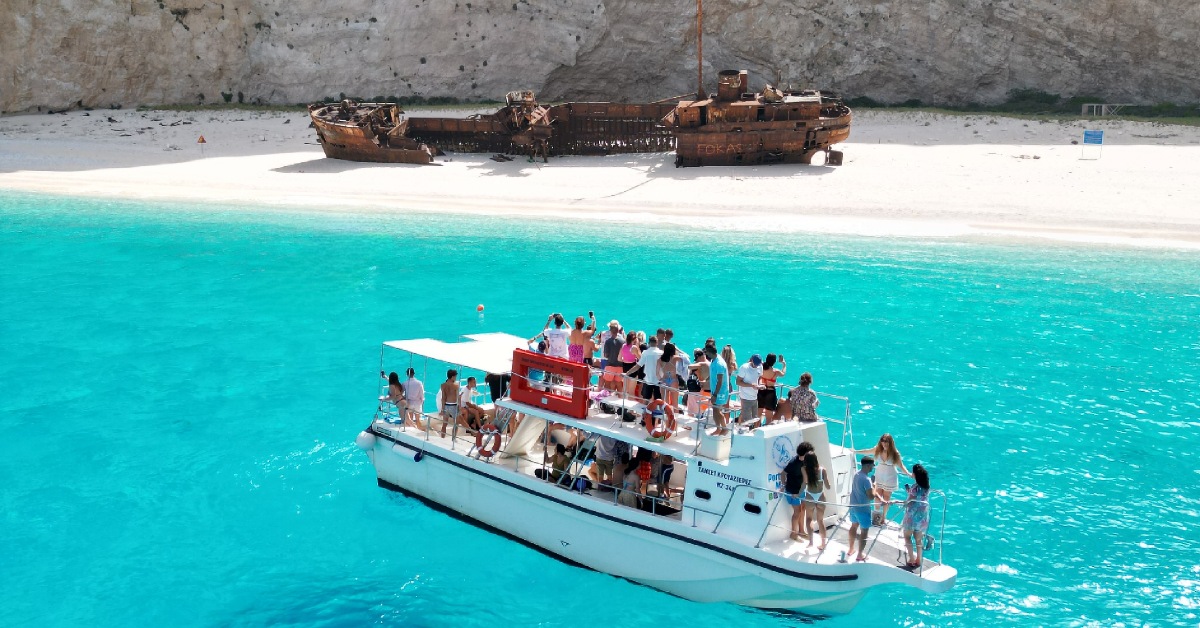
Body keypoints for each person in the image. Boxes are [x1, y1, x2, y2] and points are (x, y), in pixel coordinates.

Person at [855, 433, 911, 522]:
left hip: (890, 477)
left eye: (886, 441)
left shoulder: (895, 453)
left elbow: (901, 466)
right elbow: (867, 451)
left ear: (890, 442)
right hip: (879, 475)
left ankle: (883, 518)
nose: (884, 443)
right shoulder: (878, 449)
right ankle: (876, 516)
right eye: (883, 441)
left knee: (886, 498)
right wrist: (855, 451)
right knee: (877, 496)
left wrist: (909, 474)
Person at [801, 444, 833, 550]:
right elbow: (828, 487)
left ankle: (811, 542)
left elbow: (804, 484)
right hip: (821, 497)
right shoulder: (822, 470)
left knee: (809, 519)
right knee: (820, 520)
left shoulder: (804, 469)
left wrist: (797, 494)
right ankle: (823, 544)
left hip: (810, 496)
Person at [781, 442, 814, 540]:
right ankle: (793, 534)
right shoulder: (793, 463)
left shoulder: (806, 462)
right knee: (797, 511)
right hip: (793, 491)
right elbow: (783, 473)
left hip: (801, 489)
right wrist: (784, 485)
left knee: (803, 508)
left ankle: (801, 531)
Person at [901, 464, 931, 569]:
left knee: (907, 536)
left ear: (915, 475)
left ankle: (911, 559)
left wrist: (903, 502)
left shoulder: (914, 488)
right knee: (918, 539)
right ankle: (919, 559)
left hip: (912, 517)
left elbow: (909, 502)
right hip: (922, 517)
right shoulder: (927, 487)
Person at [845, 456, 875, 562]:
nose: (873, 467)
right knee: (864, 531)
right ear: (868, 465)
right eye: (872, 465)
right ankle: (860, 554)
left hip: (853, 506)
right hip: (863, 509)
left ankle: (851, 549)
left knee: (853, 526)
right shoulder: (867, 480)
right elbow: (871, 496)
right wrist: (873, 485)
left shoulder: (857, 474)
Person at [705, 344, 730, 434]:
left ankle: (724, 428)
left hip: (720, 391)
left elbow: (720, 380)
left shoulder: (719, 363)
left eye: (706, 352)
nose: (705, 354)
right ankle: (718, 428)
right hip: (715, 390)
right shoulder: (714, 360)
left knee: (717, 410)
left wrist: (715, 394)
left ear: (710, 352)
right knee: (715, 409)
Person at [736, 354, 764, 426]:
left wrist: (760, 384)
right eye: (755, 364)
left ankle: (740, 426)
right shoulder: (744, 368)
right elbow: (738, 382)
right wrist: (751, 385)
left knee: (755, 418)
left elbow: (760, 377)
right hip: (745, 397)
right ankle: (743, 431)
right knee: (747, 421)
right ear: (751, 360)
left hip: (754, 396)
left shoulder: (760, 366)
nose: (756, 366)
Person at [758, 353, 786, 423]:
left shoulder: (761, 368)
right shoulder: (775, 371)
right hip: (770, 392)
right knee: (769, 416)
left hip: (761, 391)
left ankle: (755, 428)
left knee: (758, 415)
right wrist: (784, 364)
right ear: (774, 362)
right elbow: (783, 373)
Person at [636, 336, 664, 400]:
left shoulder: (645, 353)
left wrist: (627, 373)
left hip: (648, 380)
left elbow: (638, 365)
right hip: (659, 380)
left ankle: (646, 409)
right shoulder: (661, 353)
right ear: (657, 343)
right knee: (658, 400)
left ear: (649, 343)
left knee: (646, 399)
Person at [600, 320, 625, 392]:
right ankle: (621, 399)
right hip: (620, 366)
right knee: (619, 384)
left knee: (607, 384)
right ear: (618, 330)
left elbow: (606, 355)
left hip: (610, 365)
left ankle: (605, 400)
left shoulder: (608, 341)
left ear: (610, 331)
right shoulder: (623, 341)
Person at [438, 369, 460, 438]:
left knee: (444, 424)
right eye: (455, 376)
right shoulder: (456, 386)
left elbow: (443, 398)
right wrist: (460, 408)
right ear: (453, 376)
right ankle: (453, 439)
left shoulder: (443, 385)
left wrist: (442, 409)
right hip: (453, 406)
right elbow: (458, 398)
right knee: (456, 424)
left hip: (446, 406)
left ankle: (442, 437)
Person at [619, 331, 640, 397]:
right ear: (634, 339)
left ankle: (622, 406)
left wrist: (626, 359)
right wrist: (637, 346)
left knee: (625, 390)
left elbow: (619, 359)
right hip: (633, 368)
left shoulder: (623, 346)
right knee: (631, 392)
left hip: (625, 367)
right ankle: (629, 407)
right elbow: (641, 358)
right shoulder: (634, 347)